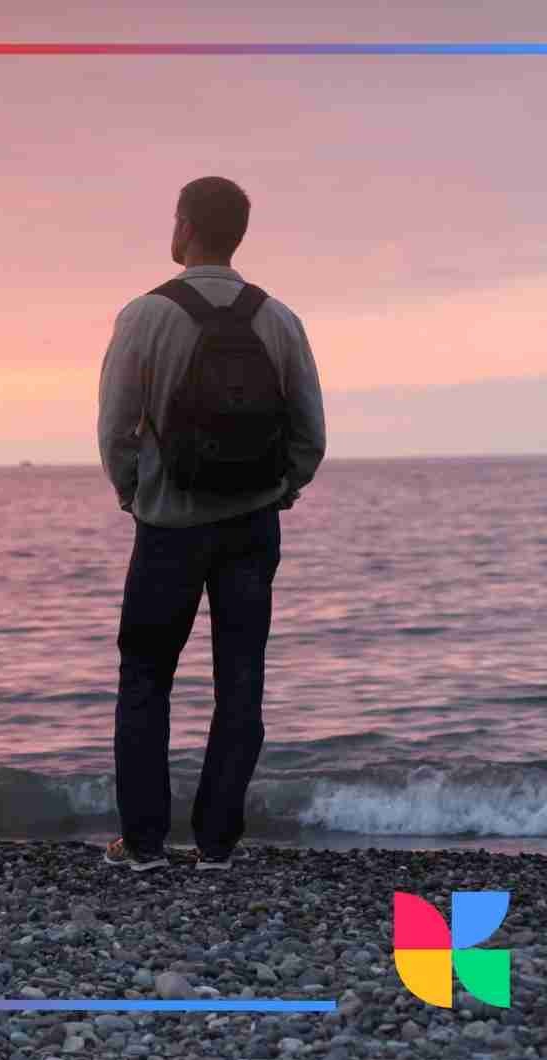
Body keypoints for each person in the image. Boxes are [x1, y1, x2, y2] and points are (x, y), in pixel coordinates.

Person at [95, 176, 327, 871]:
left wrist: (136, 494)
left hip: (168, 526)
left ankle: (143, 845)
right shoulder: (279, 318)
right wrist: (279, 492)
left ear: (187, 226)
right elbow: (310, 435)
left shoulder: (144, 316)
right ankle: (218, 844)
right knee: (241, 679)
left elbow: (115, 429)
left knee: (145, 677)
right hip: (251, 528)